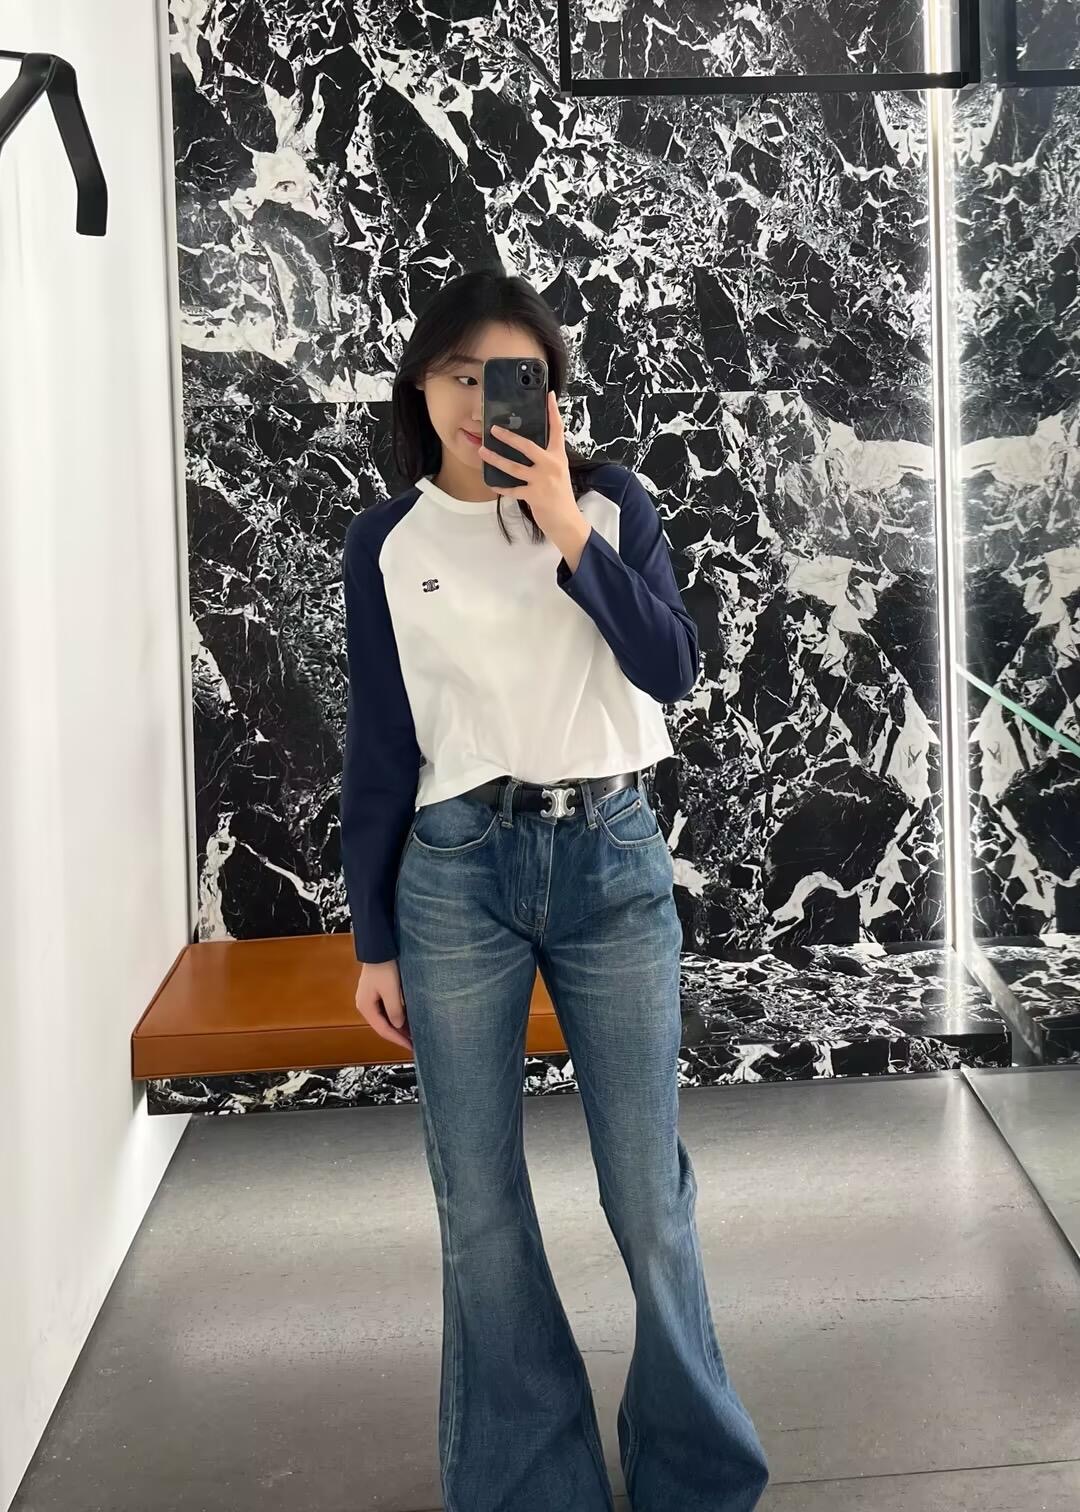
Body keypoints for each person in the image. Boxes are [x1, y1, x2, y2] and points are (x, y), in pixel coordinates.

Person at [339, 265, 769, 1512]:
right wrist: (373, 940)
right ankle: (530, 1484)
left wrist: (566, 524)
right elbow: (381, 746)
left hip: (612, 862)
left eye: (510, 377)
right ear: (422, 387)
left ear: (554, 393)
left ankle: (696, 1473)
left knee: (648, 1194)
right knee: (477, 1206)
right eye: (459, 374)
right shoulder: (387, 541)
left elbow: (672, 667)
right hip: (455, 873)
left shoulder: (614, 505)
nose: (483, 400)